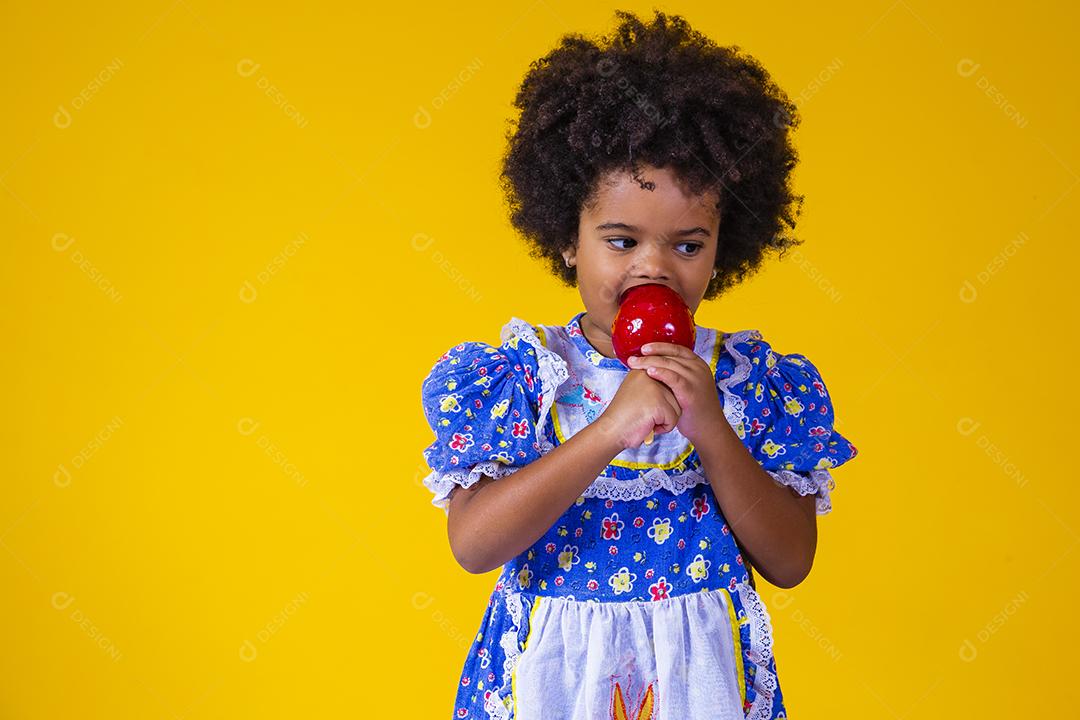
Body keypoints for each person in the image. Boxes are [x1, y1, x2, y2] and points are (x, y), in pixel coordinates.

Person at [419, 10, 859, 719]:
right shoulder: (527, 379)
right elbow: (474, 545)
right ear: (567, 237)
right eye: (621, 240)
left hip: (702, 682)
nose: (653, 265)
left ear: (725, 245)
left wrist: (710, 426)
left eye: (688, 246)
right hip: (553, 679)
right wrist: (605, 432)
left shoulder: (747, 381)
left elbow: (790, 561)